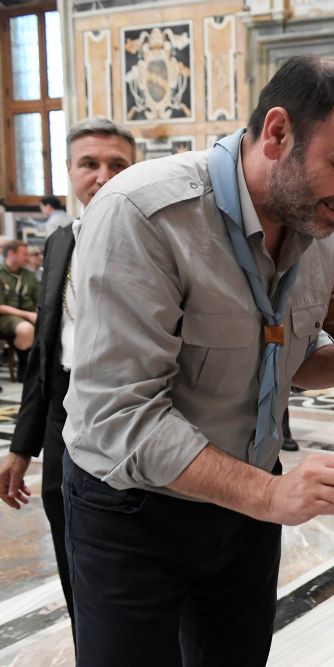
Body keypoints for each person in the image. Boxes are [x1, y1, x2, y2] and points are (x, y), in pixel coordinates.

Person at [55, 57, 334, 667]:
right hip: (135, 515)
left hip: (242, 517)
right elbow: (122, 416)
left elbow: (285, 348)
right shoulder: (143, 215)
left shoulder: (313, 228)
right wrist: (270, 494)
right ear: (277, 134)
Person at [0, 117, 136, 647]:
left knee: (130, 576)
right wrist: (21, 447)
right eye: (89, 164)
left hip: (131, 422)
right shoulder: (59, 243)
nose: (103, 176)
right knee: (73, 564)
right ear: (70, 173)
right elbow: (46, 356)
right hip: (63, 421)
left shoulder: (160, 242)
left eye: (117, 165)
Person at [0, 239, 41, 379]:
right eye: (24, 254)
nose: (27, 258)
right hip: (5, 317)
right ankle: (24, 369)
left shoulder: (28, 275)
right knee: (26, 329)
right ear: (11, 254)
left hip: (29, 314)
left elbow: (39, 299)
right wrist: (28, 315)